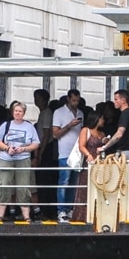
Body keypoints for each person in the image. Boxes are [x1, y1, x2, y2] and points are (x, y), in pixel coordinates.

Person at [0, 101, 40, 220]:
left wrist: (24, 149)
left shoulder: (29, 126)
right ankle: (0, 215)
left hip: (23, 158)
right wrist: (7, 148)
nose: (18, 113)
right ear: (12, 112)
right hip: (6, 158)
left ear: (24, 113)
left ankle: (26, 216)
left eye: (20, 111)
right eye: (16, 111)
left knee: (23, 186)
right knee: (4, 185)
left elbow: (36, 143)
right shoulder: (5, 125)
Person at [52, 91, 87, 221]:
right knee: (64, 182)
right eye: (73, 101)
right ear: (68, 99)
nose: (75, 103)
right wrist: (68, 126)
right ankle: (61, 211)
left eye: (77, 101)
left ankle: (70, 209)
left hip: (77, 153)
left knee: (74, 183)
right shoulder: (58, 112)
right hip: (64, 153)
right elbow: (55, 134)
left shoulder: (80, 113)